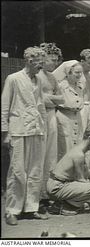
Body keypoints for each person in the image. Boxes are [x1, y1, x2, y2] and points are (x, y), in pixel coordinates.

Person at [1, 47, 48, 225]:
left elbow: (41, 105)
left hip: (36, 130)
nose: (41, 67)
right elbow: (4, 106)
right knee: (17, 171)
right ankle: (12, 210)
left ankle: (31, 207)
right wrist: (5, 132)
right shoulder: (13, 79)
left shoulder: (39, 80)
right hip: (18, 130)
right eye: (39, 63)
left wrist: (43, 128)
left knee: (35, 170)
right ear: (29, 60)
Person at [47, 124, 90, 215]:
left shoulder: (79, 150)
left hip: (58, 184)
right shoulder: (79, 155)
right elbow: (81, 179)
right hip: (56, 187)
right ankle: (65, 206)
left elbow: (87, 173)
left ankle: (69, 203)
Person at [38, 43, 64, 211]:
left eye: (56, 60)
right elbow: (39, 99)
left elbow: (61, 98)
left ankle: (47, 193)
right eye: (52, 60)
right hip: (39, 115)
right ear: (44, 58)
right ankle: (37, 194)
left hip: (51, 115)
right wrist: (51, 98)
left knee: (51, 155)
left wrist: (50, 98)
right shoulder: (37, 75)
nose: (55, 63)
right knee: (39, 155)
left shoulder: (53, 77)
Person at [52, 60, 84, 161]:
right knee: (64, 146)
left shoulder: (80, 86)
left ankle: (73, 173)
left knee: (77, 145)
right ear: (69, 73)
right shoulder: (61, 86)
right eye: (76, 72)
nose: (79, 75)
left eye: (80, 72)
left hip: (77, 117)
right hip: (64, 117)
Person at [79, 49, 90, 133]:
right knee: (81, 132)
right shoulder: (78, 74)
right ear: (82, 62)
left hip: (89, 106)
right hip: (81, 107)